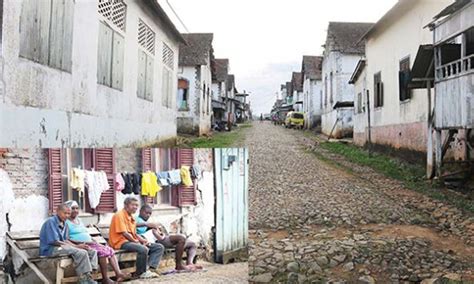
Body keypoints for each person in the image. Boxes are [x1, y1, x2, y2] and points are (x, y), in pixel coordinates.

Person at [64, 200, 130, 284]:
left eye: (77, 208)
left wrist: (92, 239)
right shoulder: (66, 222)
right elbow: (67, 238)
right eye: (73, 208)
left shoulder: (79, 221)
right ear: (68, 210)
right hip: (80, 245)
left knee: (109, 250)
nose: (76, 210)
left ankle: (118, 273)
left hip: (90, 242)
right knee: (102, 252)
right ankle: (105, 279)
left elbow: (84, 232)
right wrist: (81, 242)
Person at [39, 204, 98, 284]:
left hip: (62, 247)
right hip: (51, 249)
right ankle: (83, 279)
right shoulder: (51, 222)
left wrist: (78, 246)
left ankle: (88, 275)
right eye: (65, 213)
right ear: (58, 212)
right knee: (81, 252)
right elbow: (55, 241)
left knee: (91, 251)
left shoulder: (65, 224)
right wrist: (76, 246)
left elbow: (66, 240)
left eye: (68, 213)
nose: (67, 216)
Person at [108, 197, 164, 279]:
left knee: (158, 247)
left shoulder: (131, 217)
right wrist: (136, 242)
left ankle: (151, 269)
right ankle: (140, 273)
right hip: (120, 242)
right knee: (143, 249)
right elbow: (125, 233)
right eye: (133, 205)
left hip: (130, 241)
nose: (135, 207)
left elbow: (134, 233)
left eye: (137, 205)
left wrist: (143, 240)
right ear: (126, 205)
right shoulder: (119, 215)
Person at [135, 205, 200, 271]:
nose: (148, 215)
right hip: (155, 239)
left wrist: (157, 228)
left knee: (192, 244)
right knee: (181, 238)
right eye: (146, 213)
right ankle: (179, 265)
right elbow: (135, 228)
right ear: (140, 211)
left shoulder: (147, 221)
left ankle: (190, 263)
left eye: (150, 214)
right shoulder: (136, 219)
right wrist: (149, 226)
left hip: (159, 236)